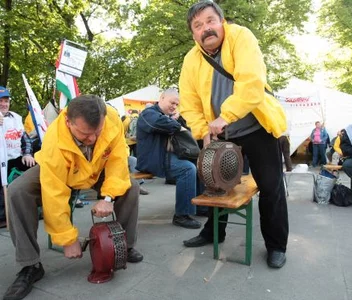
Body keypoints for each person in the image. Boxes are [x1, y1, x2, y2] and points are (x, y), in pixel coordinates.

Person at [178, 1, 288, 268]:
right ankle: (213, 232)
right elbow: (189, 102)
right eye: (198, 25)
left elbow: (252, 83)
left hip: (256, 127)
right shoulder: (191, 59)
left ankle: (276, 245)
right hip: (221, 132)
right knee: (215, 184)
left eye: (210, 20)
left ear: (222, 21)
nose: (206, 28)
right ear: (193, 34)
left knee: (271, 186)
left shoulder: (241, 37)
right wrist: (203, 132)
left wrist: (224, 116)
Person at [3, 95, 143, 300]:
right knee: (18, 191)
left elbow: (117, 161)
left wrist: (108, 197)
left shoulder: (112, 119)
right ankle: (30, 265)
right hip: (62, 172)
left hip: (96, 169)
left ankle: (124, 246)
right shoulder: (54, 139)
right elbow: (55, 192)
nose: (93, 139)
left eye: (98, 132)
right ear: (68, 122)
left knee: (131, 188)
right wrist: (67, 239)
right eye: (85, 135)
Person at [136, 88, 201, 229]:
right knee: (188, 169)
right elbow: (159, 124)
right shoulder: (148, 113)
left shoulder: (168, 116)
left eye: (176, 104)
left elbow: (187, 130)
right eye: (172, 102)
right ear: (162, 98)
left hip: (163, 157)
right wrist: (178, 125)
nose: (174, 106)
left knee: (197, 164)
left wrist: (178, 120)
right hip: (151, 160)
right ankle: (181, 215)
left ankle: (199, 206)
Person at [0, 86, 36, 228]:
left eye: (6, 101)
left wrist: (27, 153)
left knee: (38, 167)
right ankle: (4, 216)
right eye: (0, 101)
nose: (3, 104)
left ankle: (36, 208)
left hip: (16, 158)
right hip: (2, 161)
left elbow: (25, 138)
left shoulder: (16, 117)